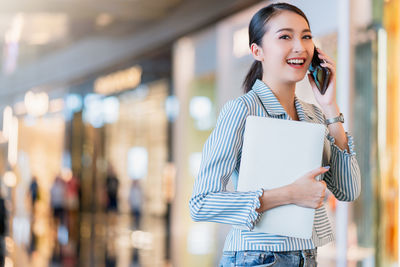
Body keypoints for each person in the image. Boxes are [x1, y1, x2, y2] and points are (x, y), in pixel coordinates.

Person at [189, 3, 361, 266]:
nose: (300, 47)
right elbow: (201, 203)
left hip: (306, 257)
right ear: (257, 51)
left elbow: (348, 190)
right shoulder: (242, 110)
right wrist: (291, 194)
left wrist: (329, 107)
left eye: (306, 36)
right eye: (285, 36)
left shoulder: (314, 115)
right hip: (256, 258)